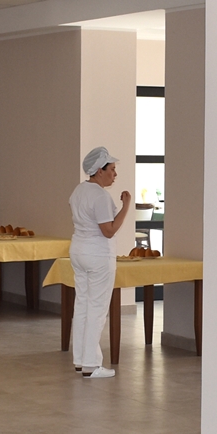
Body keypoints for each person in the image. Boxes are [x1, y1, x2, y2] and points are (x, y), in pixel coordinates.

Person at [69, 146, 131, 379]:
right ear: (99, 171)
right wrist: (126, 206)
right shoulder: (100, 196)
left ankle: (80, 359)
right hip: (97, 255)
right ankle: (92, 364)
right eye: (112, 169)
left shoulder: (78, 190)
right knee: (97, 307)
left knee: (82, 305)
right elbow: (108, 230)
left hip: (78, 250)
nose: (115, 174)